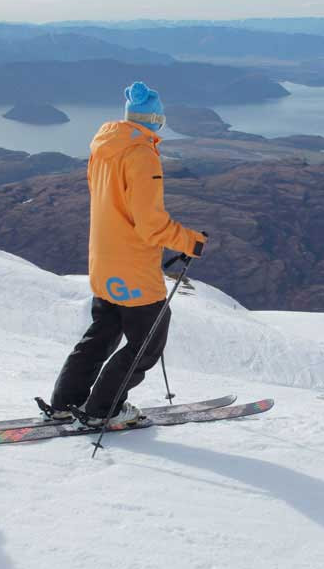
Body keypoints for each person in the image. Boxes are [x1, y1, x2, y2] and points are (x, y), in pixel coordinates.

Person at [46, 82, 207, 427]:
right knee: (147, 342)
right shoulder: (141, 155)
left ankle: (65, 402)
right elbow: (151, 224)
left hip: (103, 261)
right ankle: (102, 410)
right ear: (155, 120)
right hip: (133, 268)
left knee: (101, 335)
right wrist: (190, 242)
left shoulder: (104, 148)